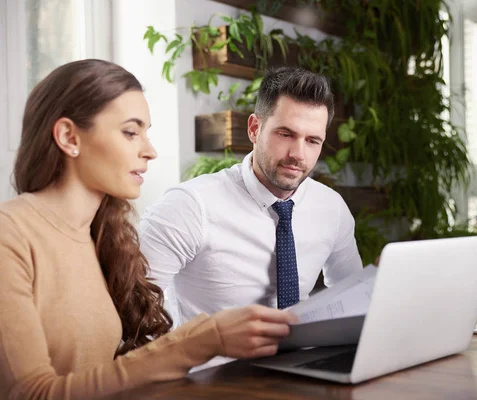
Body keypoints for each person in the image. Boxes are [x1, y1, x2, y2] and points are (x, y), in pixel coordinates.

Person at [0, 59, 297, 400]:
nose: (150, 150)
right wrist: (199, 342)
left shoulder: (103, 237)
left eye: (146, 132)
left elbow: (108, 374)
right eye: (130, 132)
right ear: (69, 136)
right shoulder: (11, 234)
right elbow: (30, 394)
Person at [139, 67, 362, 327]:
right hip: (213, 365)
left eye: (312, 141)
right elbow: (133, 316)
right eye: (286, 134)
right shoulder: (189, 206)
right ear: (255, 128)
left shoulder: (330, 207)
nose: (298, 154)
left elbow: (353, 297)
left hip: (300, 360)